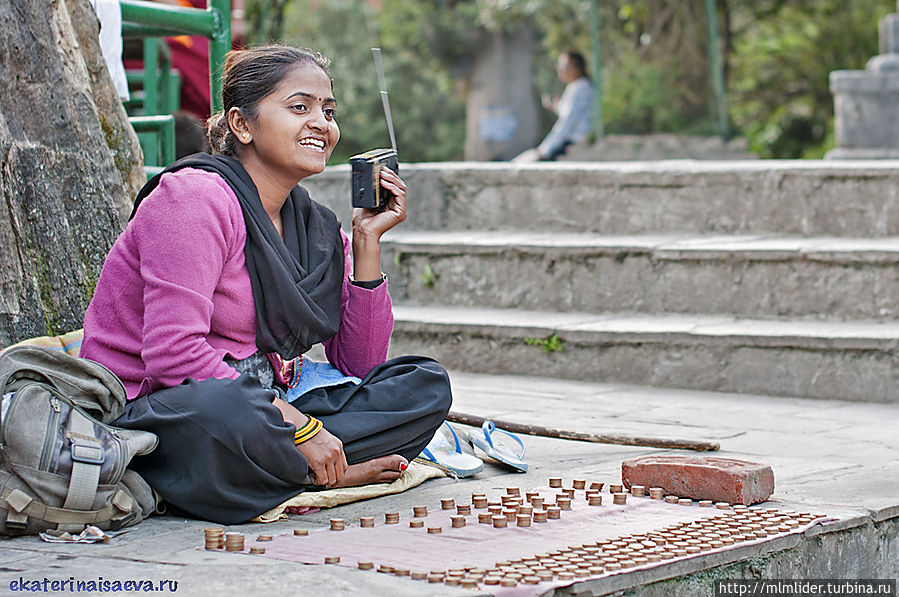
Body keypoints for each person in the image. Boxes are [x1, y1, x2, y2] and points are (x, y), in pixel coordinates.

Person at [80, 45, 452, 524]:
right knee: (222, 410)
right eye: (300, 107)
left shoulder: (313, 226)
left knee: (424, 385)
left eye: (329, 110)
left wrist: (366, 241)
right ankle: (319, 469)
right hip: (164, 411)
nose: (322, 123)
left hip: (263, 409)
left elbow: (359, 365)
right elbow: (173, 356)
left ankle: (287, 472)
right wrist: (299, 427)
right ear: (242, 124)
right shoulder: (193, 199)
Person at [516, 51, 595, 162]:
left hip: (572, 144)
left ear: (576, 68)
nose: (560, 69)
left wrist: (546, 149)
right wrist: (558, 107)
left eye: (563, 66)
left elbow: (568, 122)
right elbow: (572, 114)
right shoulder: (577, 87)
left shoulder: (580, 89)